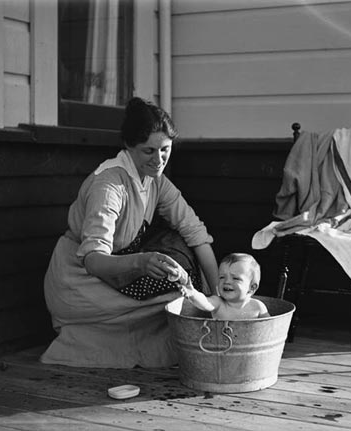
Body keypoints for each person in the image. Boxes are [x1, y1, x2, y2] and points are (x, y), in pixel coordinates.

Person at [41, 97, 219, 369]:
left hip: (118, 274)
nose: (159, 160)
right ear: (128, 146)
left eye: (165, 150)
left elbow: (195, 233)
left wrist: (219, 300)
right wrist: (142, 262)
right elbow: (93, 259)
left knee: (190, 285)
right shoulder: (109, 185)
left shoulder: (156, 181)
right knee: (178, 300)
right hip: (80, 283)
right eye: (149, 151)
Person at [176, 253, 270, 320]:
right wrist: (192, 293)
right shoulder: (219, 303)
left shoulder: (257, 307)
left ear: (252, 288)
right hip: (220, 346)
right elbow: (205, 302)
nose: (227, 281)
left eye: (236, 278)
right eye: (222, 277)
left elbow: (271, 327)